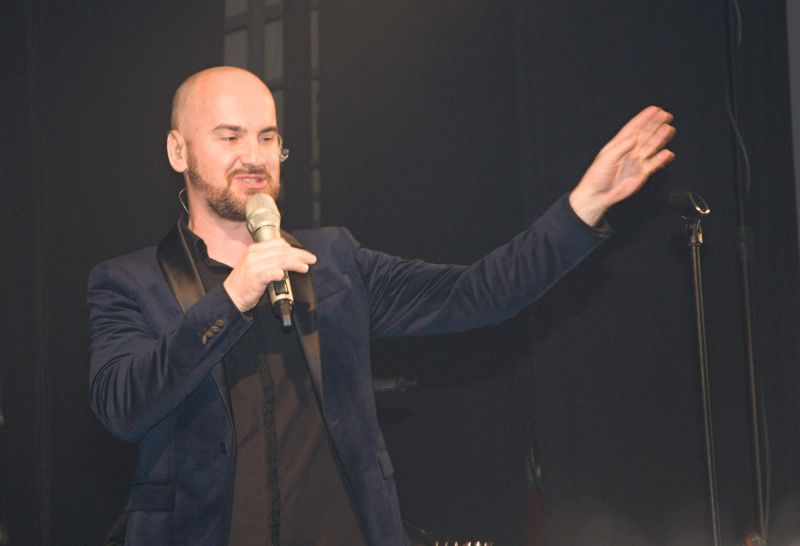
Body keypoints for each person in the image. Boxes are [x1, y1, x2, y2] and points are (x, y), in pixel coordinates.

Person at [87, 66, 675, 546]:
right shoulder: (128, 282)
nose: (254, 156)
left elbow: (480, 292)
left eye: (267, 137)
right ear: (178, 150)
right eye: (230, 136)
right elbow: (122, 407)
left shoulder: (333, 262)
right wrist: (231, 298)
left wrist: (582, 209)